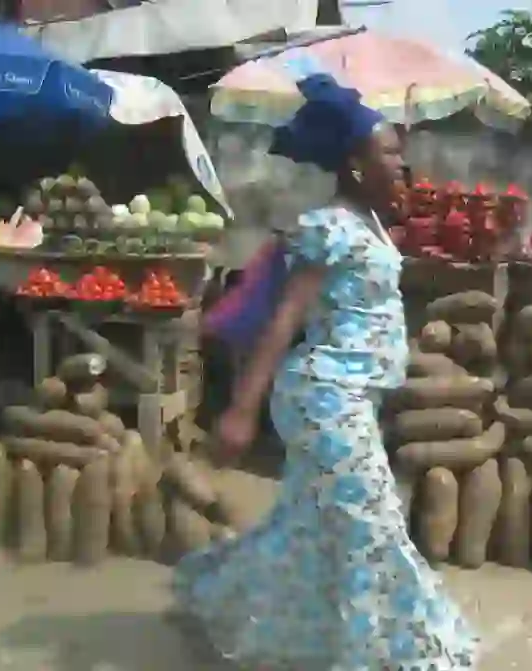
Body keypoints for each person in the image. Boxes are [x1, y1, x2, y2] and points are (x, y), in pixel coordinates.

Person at [173, 74, 478, 670]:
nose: (402, 163)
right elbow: (285, 321)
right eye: (390, 153)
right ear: (355, 165)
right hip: (324, 398)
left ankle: (226, 604)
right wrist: (240, 410)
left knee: (310, 528)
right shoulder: (329, 227)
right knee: (373, 524)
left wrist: (390, 145)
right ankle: (384, 655)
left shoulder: (370, 225)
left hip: (349, 399)